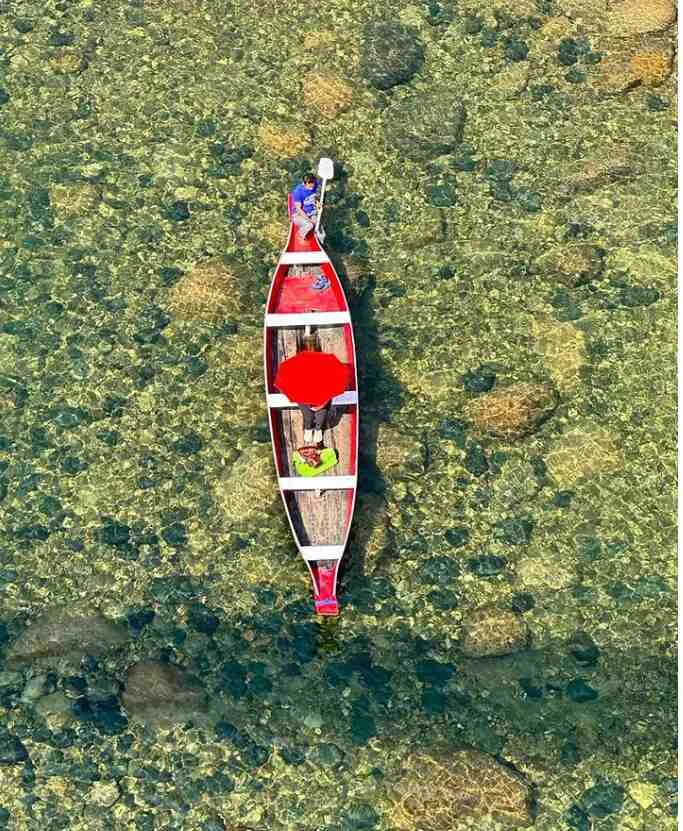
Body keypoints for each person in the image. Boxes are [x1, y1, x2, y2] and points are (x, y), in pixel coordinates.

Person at [290, 173, 320, 242]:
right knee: (309, 225)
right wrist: (309, 220)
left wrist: (318, 202)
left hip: (311, 211)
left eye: (313, 186)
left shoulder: (315, 183)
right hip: (298, 214)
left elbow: (318, 194)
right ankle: (299, 235)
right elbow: (298, 209)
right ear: (304, 183)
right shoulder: (298, 192)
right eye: (309, 187)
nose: (311, 188)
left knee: (317, 223)